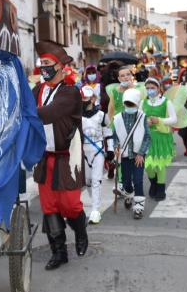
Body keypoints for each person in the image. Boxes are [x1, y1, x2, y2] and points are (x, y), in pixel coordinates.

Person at [32, 40, 88, 270]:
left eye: (47, 63)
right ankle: (59, 251)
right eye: (41, 62)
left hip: (67, 157)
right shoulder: (37, 90)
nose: (43, 67)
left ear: (60, 66)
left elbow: (48, 113)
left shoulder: (70, 93)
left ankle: (81, 231)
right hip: (44, 156)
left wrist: (25, 113)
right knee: (49, 206)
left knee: (71, 204)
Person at [113, 88, 151, 219]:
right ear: (124, 103)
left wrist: (141, 153)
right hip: (124, 155)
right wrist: (116, 147)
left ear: (137, 103)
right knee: (126, 181)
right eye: (127, 104)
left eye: (132, 104)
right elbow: (115, 136)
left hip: (138, 155)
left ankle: (139, 207)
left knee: (138, 180)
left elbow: (147, 136)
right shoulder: (117, 118)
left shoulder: (142, 116)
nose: (129, 106)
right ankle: (129, 194)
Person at [81, 86, 113, 224]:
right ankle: (94, 201)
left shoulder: (102, 115)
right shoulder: (76, 115)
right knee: (88, 181)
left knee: (96, 180)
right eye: (82, 99)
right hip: (83, 151)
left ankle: (95, 209)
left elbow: (108, 133)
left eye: (87, 98)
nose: (84, 101)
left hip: (98, 150)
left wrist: (110, 149)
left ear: (93, 99)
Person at [142, 77, 177, 201]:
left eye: (152, 88)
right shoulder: (143, 102)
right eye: (148, 88)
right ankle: (153, 183)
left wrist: (160, 120)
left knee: (160, 164)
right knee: (148, 166)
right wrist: (145, 121)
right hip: (147, 138)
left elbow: (174, 119)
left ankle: (161, 189)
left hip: (162, 137)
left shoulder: (166, 102)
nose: (150, 90)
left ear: (159, 88)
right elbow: (139, 118)